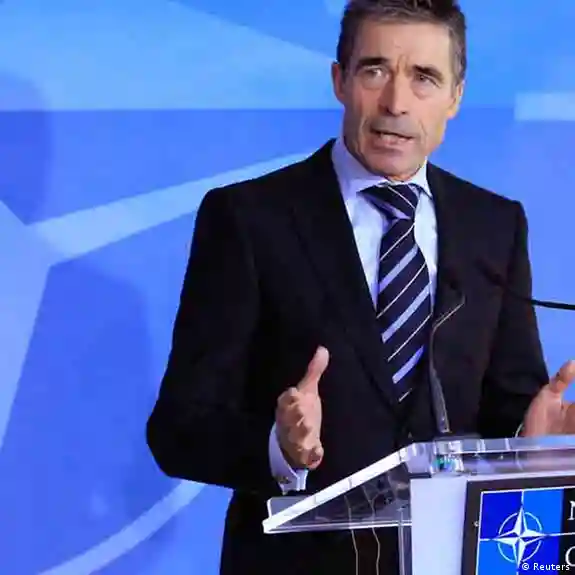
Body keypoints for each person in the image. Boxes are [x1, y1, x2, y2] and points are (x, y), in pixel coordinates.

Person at [146, 1, 575, 573]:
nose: (397, 102)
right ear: (340, 81)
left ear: (455, 97)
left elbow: (501, 405)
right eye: (375, 70)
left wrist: (527, 436)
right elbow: (179, 428)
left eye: (424, 78)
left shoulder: (493, 225)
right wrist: (280, 448)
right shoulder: (250, 219)